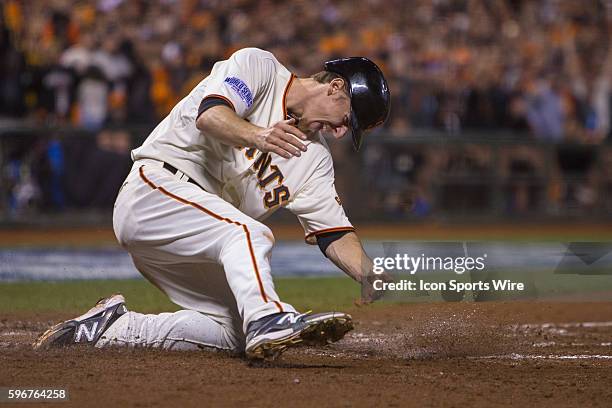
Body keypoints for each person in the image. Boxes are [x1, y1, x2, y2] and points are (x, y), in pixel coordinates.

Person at [34, 48, 390, 360]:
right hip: (155, 191)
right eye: (348, 119)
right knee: (251, 234)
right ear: (336, 86)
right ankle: (268, 316)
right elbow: (210, 115)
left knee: (234, 329)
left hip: (196, 240)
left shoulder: (315, 160)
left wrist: (371, 274)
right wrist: (259, 135)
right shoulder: (260, 67)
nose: (342, 132)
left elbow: (333, 232)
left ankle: (114, 328)